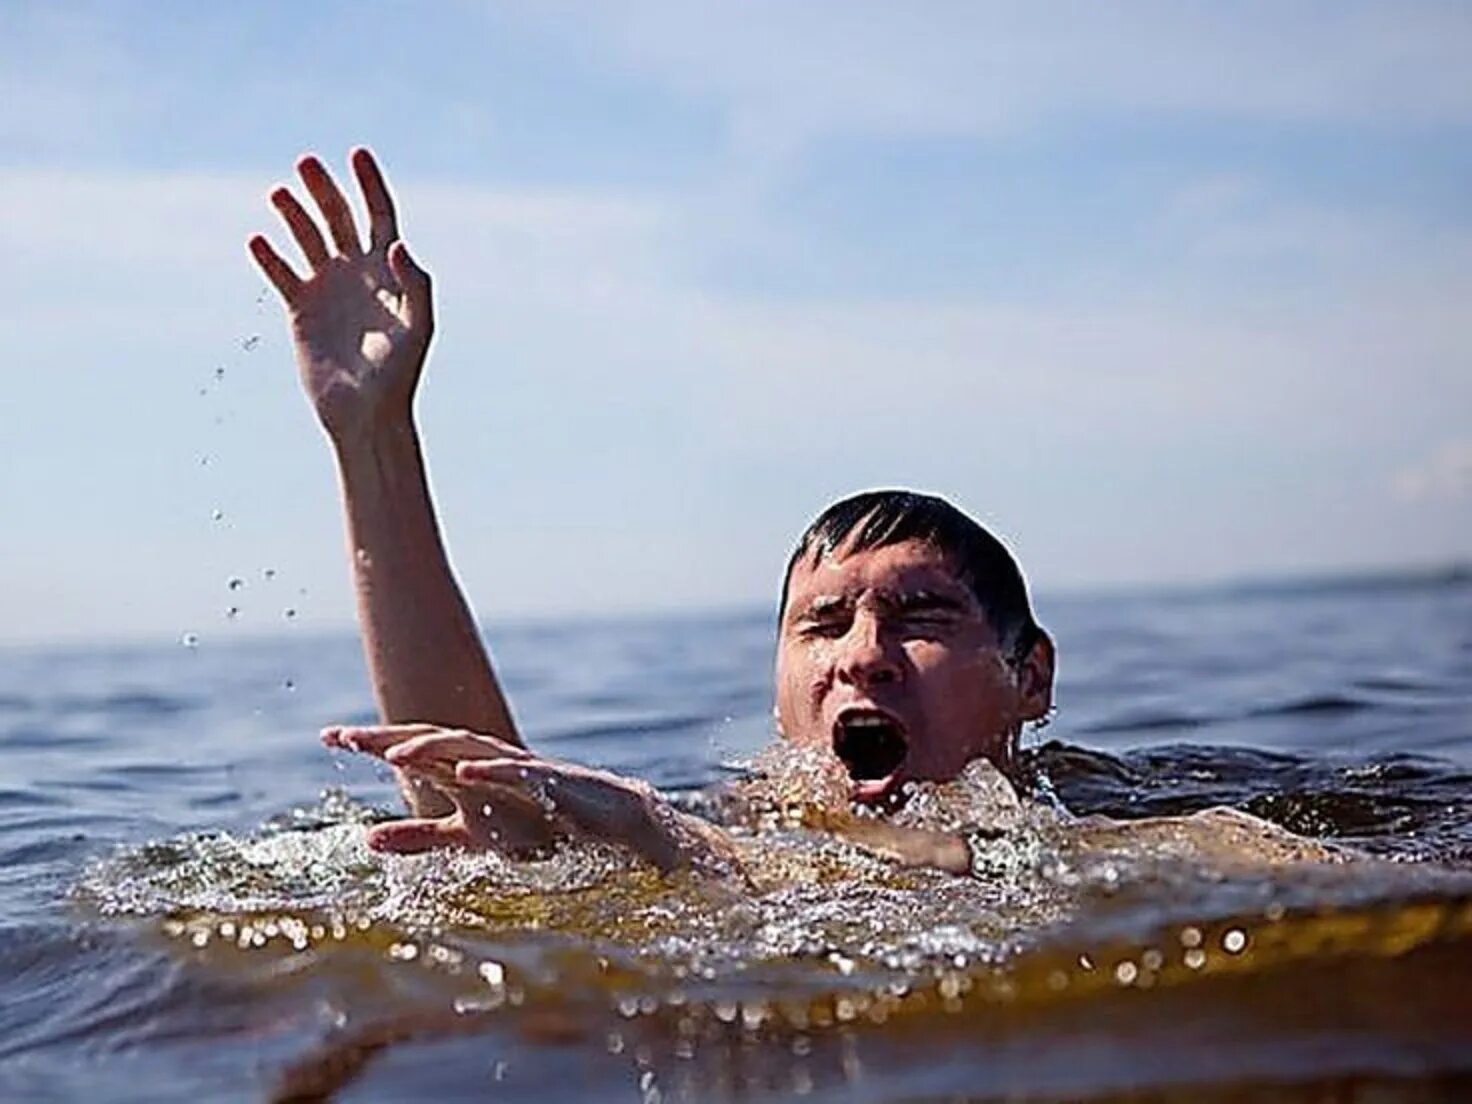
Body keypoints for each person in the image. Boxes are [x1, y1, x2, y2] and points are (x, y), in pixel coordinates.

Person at [249, 148, 1056, 879]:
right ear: (778, 694)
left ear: (1030, 677)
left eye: (921, 617)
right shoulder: (741, 820)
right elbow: (484, 806)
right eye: (823, 623)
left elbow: (965, 874)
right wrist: (374, 438)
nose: (863, 656)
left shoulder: (1120, 828)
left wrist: (662, 837)